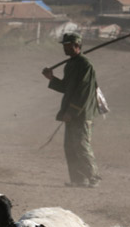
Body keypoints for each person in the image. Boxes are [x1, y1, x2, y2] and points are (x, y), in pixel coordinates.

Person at [42, 31, 102, 188]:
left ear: (77, 46)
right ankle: (78, 179)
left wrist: (72, 111)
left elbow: (84, 92)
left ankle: (93, 177)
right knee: (70, 146)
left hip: (81, 114)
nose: (65, 49)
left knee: (81, 144)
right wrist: (51, 78)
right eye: (65, 46)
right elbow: (67, 88)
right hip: (71, 113)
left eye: (68, 46)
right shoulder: (71, 65)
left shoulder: (85, 65)